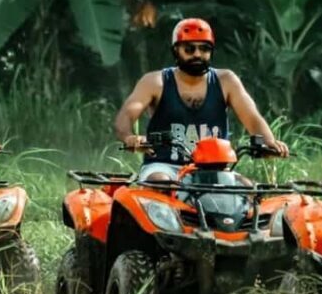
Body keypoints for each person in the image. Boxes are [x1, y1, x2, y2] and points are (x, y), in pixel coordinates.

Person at [114, 18, 289, 181]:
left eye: (204, 49)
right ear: (176, 50)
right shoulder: (155, 82)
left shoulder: (226, 81)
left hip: (214, 169)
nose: (197, 54)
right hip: (164, 166)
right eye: (189, 49)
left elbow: (252, 118)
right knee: (161, 183)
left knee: (248, 191)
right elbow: (126, 115)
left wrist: (269, 143)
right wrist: (130, 138)